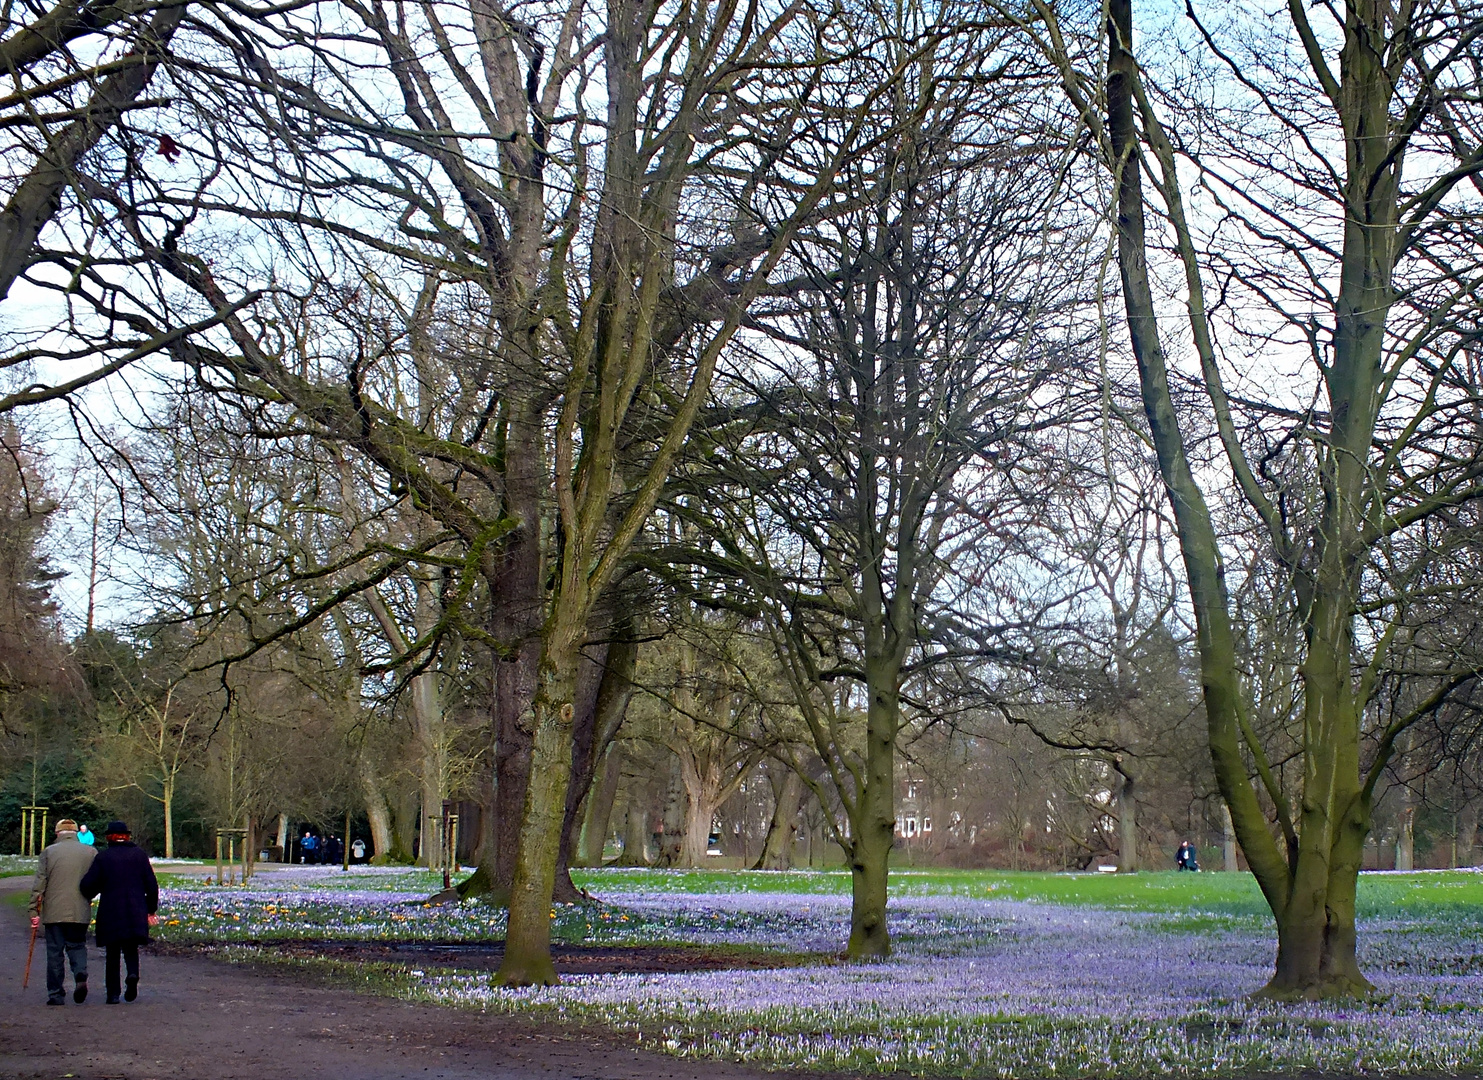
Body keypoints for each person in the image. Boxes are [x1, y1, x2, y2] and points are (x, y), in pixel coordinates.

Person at [80, 820, 159, 1004]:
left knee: (112, 953)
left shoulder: (103, 857)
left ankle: (113, 994)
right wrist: (150, 909)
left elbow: (88, 885)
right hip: (135, 909)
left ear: (109, 837)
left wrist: (89, 893)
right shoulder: (139, 855)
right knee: (131, 948)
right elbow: (152, 885)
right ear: (127, 836)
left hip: (111, 910)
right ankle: (132, 974)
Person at [29, 818, 98, 1005]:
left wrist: (33, 911)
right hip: (79, 909)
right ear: (76, 833)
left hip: (54, 911)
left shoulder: (48, 852)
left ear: (58, 833)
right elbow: (95, 880)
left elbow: (39, 884)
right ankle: (80, 973)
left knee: (55, 952)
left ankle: (56, 994)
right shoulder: (91, 852)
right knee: (77, 945)